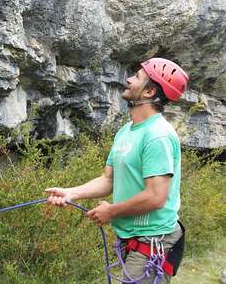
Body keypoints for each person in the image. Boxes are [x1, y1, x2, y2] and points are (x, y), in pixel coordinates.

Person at [46, 58, 189, 284]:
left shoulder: (158, 135)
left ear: (150, 91)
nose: (129, 79)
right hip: (131, 239)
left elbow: (156, 197)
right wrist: (70, 193)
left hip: (152, 240)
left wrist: (111, 211)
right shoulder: (125, 131)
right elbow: (108, 179)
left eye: (137, 77)